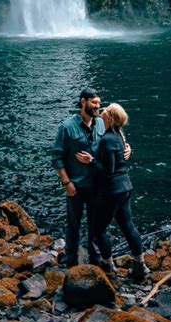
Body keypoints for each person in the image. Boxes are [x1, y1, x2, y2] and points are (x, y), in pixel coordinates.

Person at [51, 88, 131, 268]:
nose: (98, 106)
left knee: (95, 226)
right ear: (83, 102)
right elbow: (56, 157)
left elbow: (116, 140)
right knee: (74, 225)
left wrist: (127, 147)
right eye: (94, 102)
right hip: (76, 186)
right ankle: (72, 261)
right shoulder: (67, 127)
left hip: (99, 186)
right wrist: (66, 182)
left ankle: (95, 260)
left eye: (98, 102)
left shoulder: (103, 124)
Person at [76, 103, 149, 280]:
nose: (102, 111)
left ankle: (108, 266)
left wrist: (91, 160)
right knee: (127, 226)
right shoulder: (119, 135)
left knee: (97, 231)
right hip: (126, 187)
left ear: (110, 118)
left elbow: (108, 170)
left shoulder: (108, 139)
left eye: (106, 110)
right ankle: (140, 265)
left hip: (112, 191)